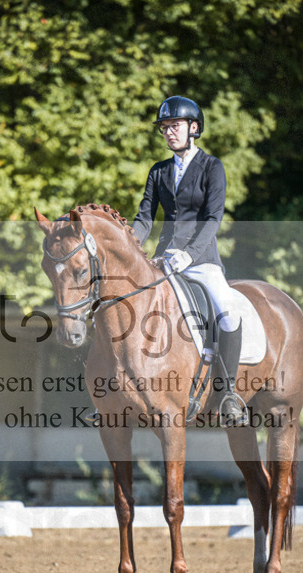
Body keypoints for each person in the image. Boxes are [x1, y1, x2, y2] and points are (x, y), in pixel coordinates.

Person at [129, 96, 247, 426]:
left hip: (201, 259)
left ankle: (228, 394)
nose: (169, 133)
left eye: (175, 126)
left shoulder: (212, 167)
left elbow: (213, 218)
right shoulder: (159, 171)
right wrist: (129, 246)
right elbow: (144, 217)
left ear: (194, 128)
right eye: (164, 128)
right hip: (164, 259)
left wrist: (190, 254)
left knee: (227, 309)